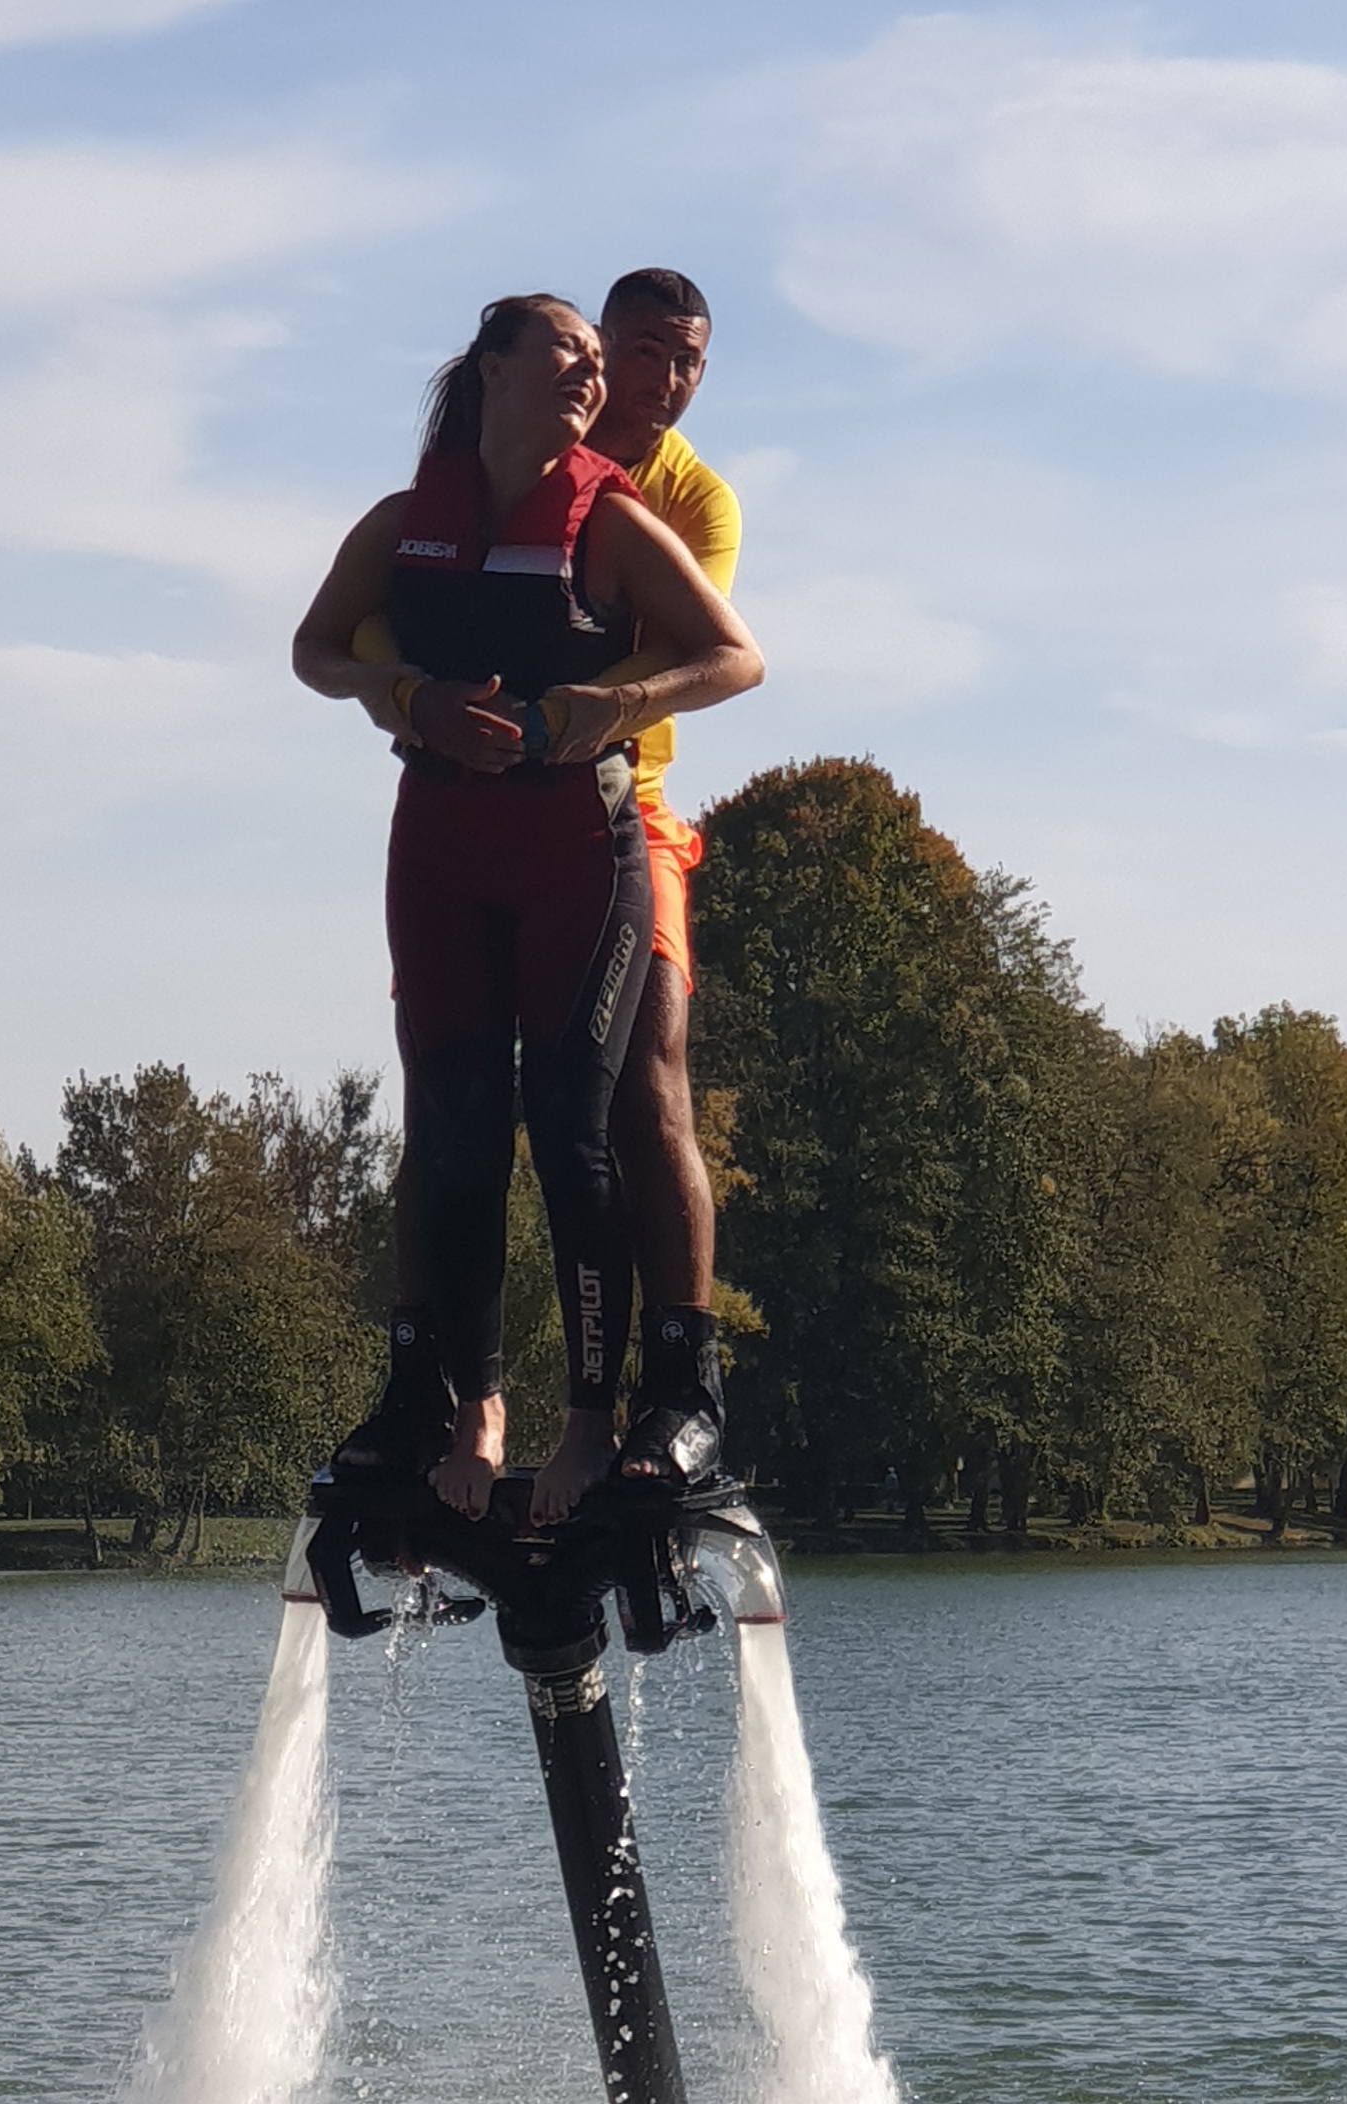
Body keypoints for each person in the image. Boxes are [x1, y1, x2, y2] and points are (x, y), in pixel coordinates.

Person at [292, 295, 763, 1525]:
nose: (598, 374)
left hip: (583, 838)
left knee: (578, 1123)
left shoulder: (621, 519)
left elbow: (733, 655)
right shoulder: (406, 524)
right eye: (575, 349)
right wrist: (400, 695)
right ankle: (455, 1404)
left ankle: (605, 1416)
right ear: (488, 365)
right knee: (450, 1124)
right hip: (439, 838)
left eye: (608, 364)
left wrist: (591, 714)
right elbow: (315, 651)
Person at [585, 268, 741, 1489]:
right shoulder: (518, 458)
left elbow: (687, 652)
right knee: (475, 1100)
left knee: (653, 1072)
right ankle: (461, 1387)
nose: (668, 383)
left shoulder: (696, 500)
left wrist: (584, 706)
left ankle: (683, 1385)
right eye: (647, 354)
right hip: (483, 802)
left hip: (631, 806)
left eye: (688, 360)